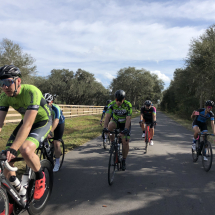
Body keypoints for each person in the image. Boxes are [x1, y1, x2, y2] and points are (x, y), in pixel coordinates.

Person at [0, 65, 52, 214]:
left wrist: (14, 148)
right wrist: (10, 150)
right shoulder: (3, 96)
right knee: (6, 160)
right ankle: (16, 195)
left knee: (25, 149)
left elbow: (29, 124)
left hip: (42, 121)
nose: (4, 87)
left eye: (8, 82)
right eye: (1, 83)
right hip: (26, 123)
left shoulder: (31, 91)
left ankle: (40, 177)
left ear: (18, 81)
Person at [103, 90, 132, 171]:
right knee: (110, 126)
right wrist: (105, 127)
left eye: (120, 100)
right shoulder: (111, 104)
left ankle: (124, 160)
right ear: (115, 99)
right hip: (116, 121)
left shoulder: (127, 104)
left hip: (125, 123)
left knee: (125, 142)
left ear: (124, 99)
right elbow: (107, 117)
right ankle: (112, 142)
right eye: (117, 100)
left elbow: (128, 118)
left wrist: (126, 129)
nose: (118, 102)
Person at [44, 93, 65, 172]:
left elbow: (56, 120)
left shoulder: (56, 108)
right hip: (49, 122)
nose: (45, 105)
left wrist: (50, 132)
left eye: (47, 103)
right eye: (44, 102)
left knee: (56, 143)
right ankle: (48, 149)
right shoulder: (41, 107)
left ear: (51, 102)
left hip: (59, 124)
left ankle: (57, 163)